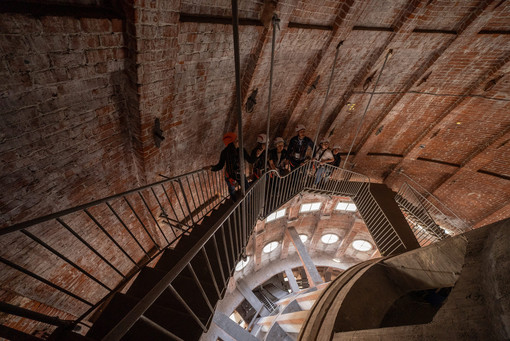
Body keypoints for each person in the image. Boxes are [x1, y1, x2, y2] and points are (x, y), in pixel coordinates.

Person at [206, 132, 256, 201]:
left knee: (247, 189)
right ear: (231, 143)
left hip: (239, 174)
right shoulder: (225, 152)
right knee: (232, 190)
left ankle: (247, 203)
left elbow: (250, 160)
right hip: (229, 176)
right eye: (236, 140)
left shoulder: (241, 150)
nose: (238, 141)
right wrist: (212, 168)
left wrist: (257, 155)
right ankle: (234, 202)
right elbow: (220, 165)